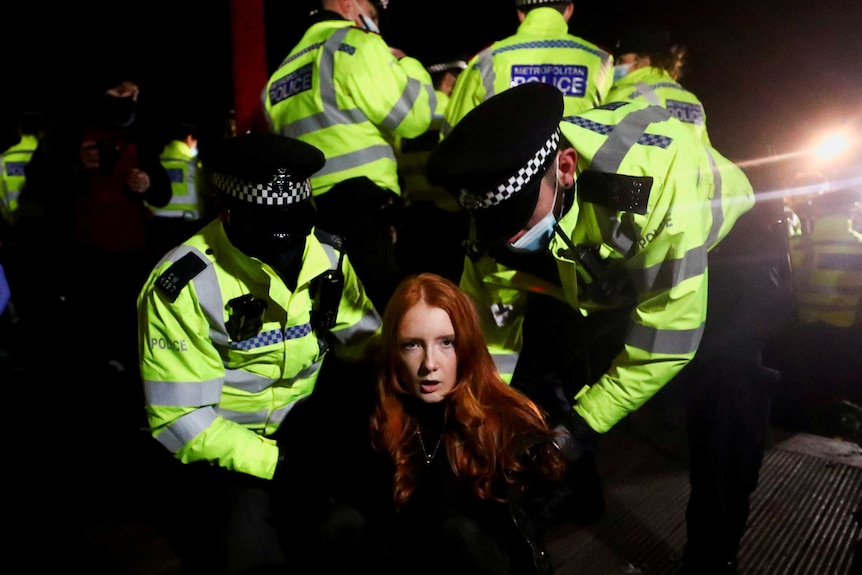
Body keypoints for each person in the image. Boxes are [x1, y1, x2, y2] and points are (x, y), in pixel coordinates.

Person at [427, 83, 757, 541]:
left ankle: (713, 551)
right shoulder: (502, 211)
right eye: (499, 226)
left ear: (564, 167)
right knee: (550, 369)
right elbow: (489, 334)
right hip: (603, 265)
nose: (510, 238)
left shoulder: (650, 185)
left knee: (726, 399)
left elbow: (666, 337)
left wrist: (583, 424)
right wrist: (478, 414)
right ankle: (574, 492)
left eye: (522, 220)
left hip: (723, 246)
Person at [136, 131, 383, 574]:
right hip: (228, 453)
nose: (285, 252)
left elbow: (369, 344)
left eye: (293, 234)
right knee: (251, 557)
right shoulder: (183, 285)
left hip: (310, 434)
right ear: (227, 210)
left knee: (359, 532)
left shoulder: (326, 255)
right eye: (267, 238)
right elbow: (179, 418)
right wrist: (281, 464)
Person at [607, 22, 790, 574]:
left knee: (704, 396)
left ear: (633, 58)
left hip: (681, 266)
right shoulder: (698, 98)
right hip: (732, 270)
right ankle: (714, 557)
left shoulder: (628, 91)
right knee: (728, 427)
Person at [324, 272, 569, 575]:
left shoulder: (506, 423)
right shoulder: (371, 413)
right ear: (393, 351)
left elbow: (523, 542)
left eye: (446, 343)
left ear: (465, 345)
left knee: (459, 535)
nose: (429, 364)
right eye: (412, 345)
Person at [262, 0, 437, 311]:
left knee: (330, 315)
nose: (376, 26)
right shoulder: (356, 44)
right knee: (379, 313)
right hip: (361, 213)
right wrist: (406, 64)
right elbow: (414, 116)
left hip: (306, 217)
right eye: (371, 16)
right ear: (347, 3)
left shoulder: (280, 75)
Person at [442, 0, 613, 137]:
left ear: (521, 14)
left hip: (507, 176)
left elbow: (454, 132)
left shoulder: (486, 59)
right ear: (569, 10)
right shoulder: (601, 60)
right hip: (574, 174)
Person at [395, 57, 471, 283]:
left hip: (415, 220)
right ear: (448, 80)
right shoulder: (454, 113)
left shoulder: (408, 118)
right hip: (451, 222)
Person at [606, 22, 710, 145]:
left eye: (621, 61)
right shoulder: (692, 100)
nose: (616, 67)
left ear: (644, 62)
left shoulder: (622, 95)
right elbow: (705, 151)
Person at [145, 120, 208, 265]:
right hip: (187, 226)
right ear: (189, 138)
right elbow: (205, 191)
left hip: (156, 224)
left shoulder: (156, 161)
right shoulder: (194, 163)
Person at [0, 111, 45, 227]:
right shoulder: (50, 154)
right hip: (48, 220)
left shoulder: (5, 157)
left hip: (15, 221)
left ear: (19, 130)